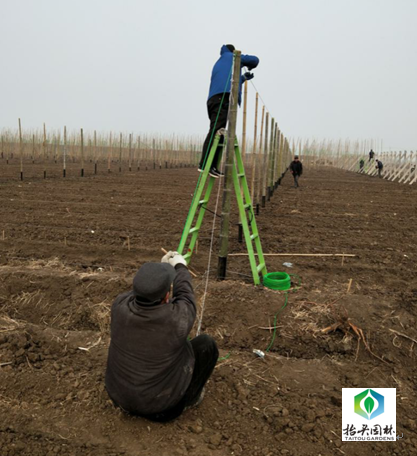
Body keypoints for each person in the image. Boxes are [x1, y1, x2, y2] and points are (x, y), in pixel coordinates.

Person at [105, 252, 219, 422]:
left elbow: (140, 291)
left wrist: (156, 274)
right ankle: (191, 399)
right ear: (167, 296)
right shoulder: (176, 320)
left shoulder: (119, 306)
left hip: (119, 398)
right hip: (162, 408)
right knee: (206, 345)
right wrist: (180, 266)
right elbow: (185, 294)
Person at [199, 44, 260, 178]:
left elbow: (230, 80)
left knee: (218, 131)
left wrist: (243, 78)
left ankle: (212, 166)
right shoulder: (231, 56)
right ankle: (205, 164)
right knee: (216, 130)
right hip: (222, 98)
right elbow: (255, 60)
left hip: (216, 99)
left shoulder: (222, 61)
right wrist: (246, 63)